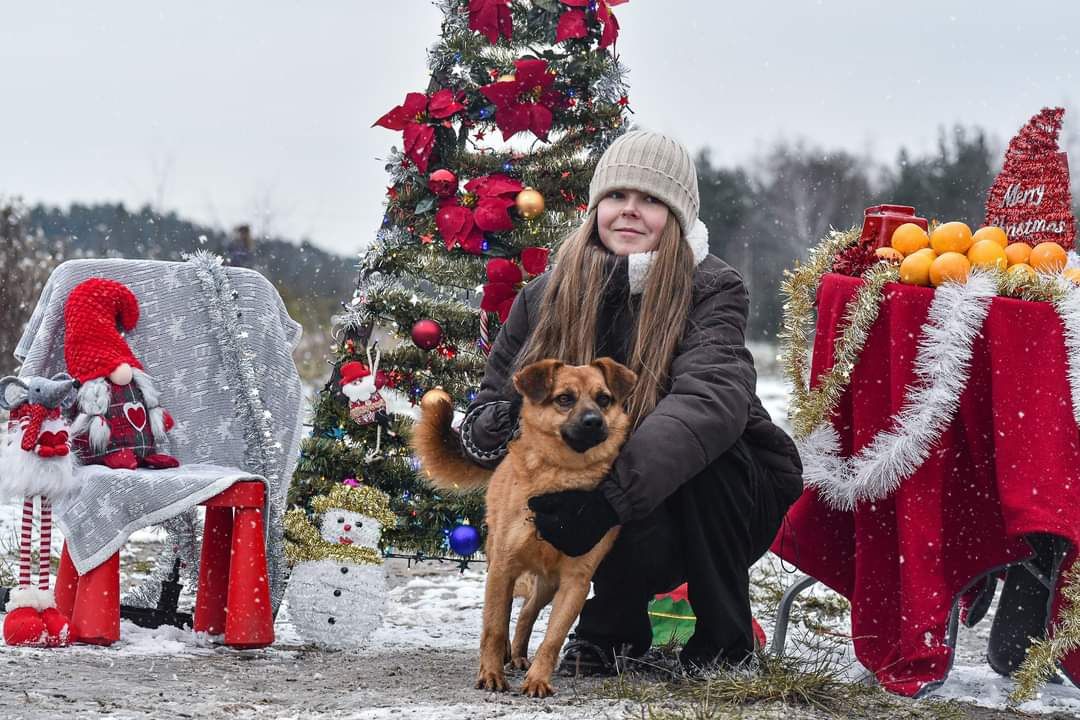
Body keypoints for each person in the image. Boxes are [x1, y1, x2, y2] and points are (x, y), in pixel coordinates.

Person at [459, 130, 804, 675]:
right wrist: (489, 426)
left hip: (725, 496)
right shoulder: (545, 293)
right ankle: (611, 635)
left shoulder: (712, 288)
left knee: (704, 452)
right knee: (588, 473)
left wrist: (607, 501)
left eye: (650, 200)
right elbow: (494, 396)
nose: (629, 212)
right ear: (596, 205)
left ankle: (725, 641)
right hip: (608, 494)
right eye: (617, 197)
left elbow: (708, 402)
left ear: (678, 216)